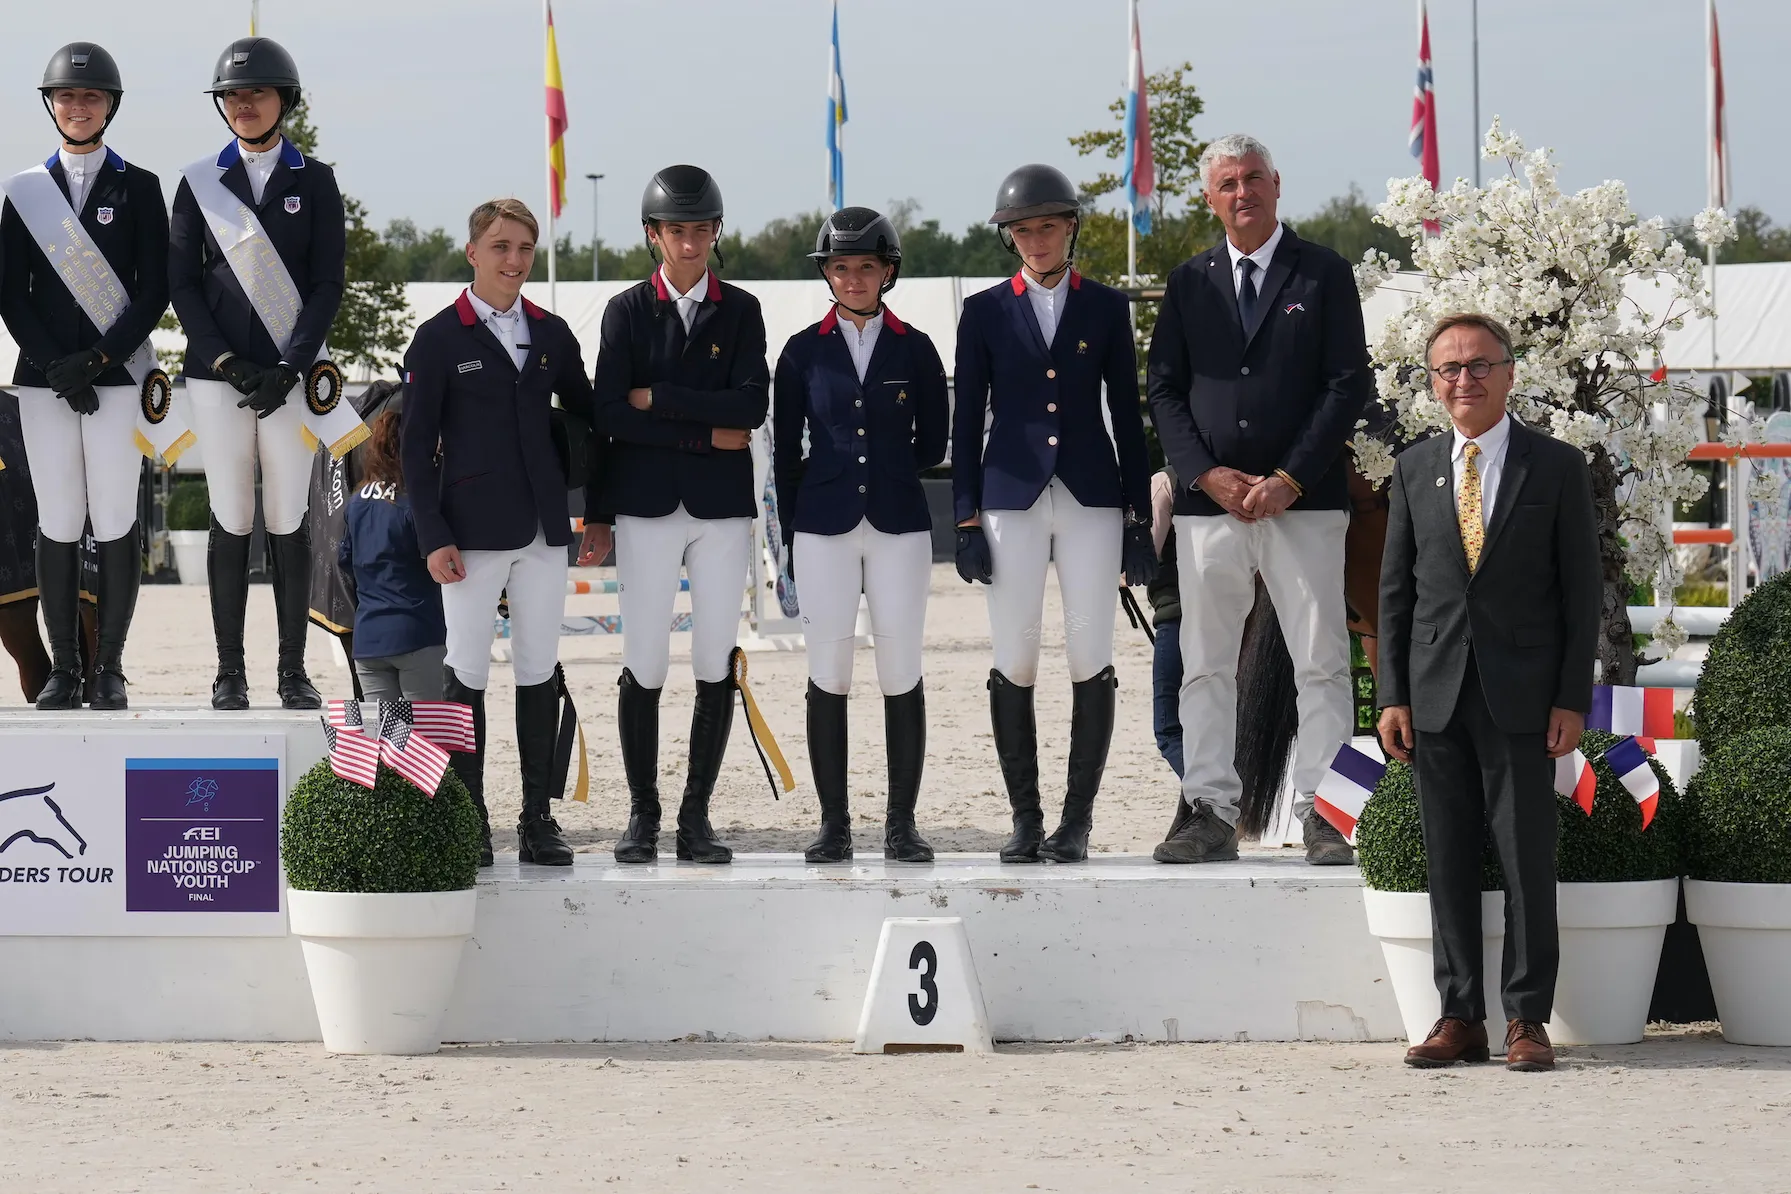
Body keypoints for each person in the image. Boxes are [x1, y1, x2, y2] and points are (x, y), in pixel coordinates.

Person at [1379, 313, 1600, 1073]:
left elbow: (1581, 592)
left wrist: (1572, 698)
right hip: (1434, 695)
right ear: (1433, 383)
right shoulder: (1413, 469)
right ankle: (1459, 1017)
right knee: (1446, 859)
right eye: (1448, 368)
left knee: (1525, 858)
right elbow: (1395, 594)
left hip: (1525, 697)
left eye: (1479, 365)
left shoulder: (1556, 466)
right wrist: (1392, 695)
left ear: (1509, 374)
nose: (1464, 379)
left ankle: (1527, 1020)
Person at [1146, 133, 1372, 866]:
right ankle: (1209, 811)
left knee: (1321, 661)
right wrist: (1204, 475)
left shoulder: (1324, 273)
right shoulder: (1188, 282)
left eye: (1251, 179)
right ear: (1209, 198)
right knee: (1205, 663)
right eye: (1227, 184)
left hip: (1303, 503)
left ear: (1275, 184)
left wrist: (1289, 478)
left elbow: (1347, 384)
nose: (1241, 193)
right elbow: (1164, 391)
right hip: (1210, 507)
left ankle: (1325, 813)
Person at [952, 164, 1157, 864]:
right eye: (1022, 230)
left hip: (1089, 497)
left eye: (1046, 226)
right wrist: (965, 518)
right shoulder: (983, 311)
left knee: (1089, 652)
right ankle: (1024, 818)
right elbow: (964, 420)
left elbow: (1126, 416)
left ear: (1069, 227)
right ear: (1008, 237)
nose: (1035, 240)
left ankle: (1075, 821)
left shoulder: (1105, 307)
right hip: (1009, 499)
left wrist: (1136, 517)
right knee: (1014, 655)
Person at [401, 197, 602, 868]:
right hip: (467, 535)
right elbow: (413, 447)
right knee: (466, 672)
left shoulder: (551, 333)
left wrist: (596, 508)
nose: (514, 260)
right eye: (500, 247)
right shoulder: (437, 338)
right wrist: (432, 535)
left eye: (524, 248)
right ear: (473, 253)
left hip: (544, 532)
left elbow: (589, 418)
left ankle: (537, 820)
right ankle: (469, 820)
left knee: (538, 670)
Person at [169, 36, 353, 712]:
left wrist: (289, 366)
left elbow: (328, 283)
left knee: (286, 516)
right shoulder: (197, 183)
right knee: (230, 514)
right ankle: (229, 672)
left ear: (285, 101)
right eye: (232, 95)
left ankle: (291, 671)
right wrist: (224, 360)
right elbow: (183, 284)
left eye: (257, 93)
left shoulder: (317, 180)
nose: (243, 104)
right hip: (217, 377)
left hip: (290, 379)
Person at [593, 165, 769, 866]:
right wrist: (701, 432)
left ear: (715, 232)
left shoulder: (743, 310)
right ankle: (643, 813)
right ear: (653, 235)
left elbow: (749, 407)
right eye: (676, 231)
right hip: (647, 506)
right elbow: (611, 414)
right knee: (644, 657)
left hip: (720, 512)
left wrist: (658, 398)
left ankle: (695, 816)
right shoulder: (625, 311)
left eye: (700, 230)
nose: (689, 244)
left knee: (713, 656)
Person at [772, 207, 948, 863]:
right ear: (827, 273)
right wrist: (793, 536)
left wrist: (889, 470)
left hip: (899, 524)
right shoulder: (800, 351)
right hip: (823, 527)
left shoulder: (916, 347)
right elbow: (786, 453)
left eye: (865, 267)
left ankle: (901, 824)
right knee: (830, 671)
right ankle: (834, 825)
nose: (853, 279)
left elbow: (933, 443)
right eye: (841, 268)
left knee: (900, 668)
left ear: (886, 272)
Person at [0, 42, 168, 710]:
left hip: (117, 379)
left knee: (117, 516)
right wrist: (55, 365)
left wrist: (97, 361)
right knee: (60, 519)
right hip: (44, 381)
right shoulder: (24, 192)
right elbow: (11, 291)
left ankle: (111, 668)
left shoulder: (141, 187)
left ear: (110, 106)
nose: (78, 106)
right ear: (51, 105)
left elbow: (153, 290)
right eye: (67, 96)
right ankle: (66, 668)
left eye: (91, 96)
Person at [339, 406, 446, 701]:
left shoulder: (356, 502)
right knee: (425, 729)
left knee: (384, 730)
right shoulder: (418, 505)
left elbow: (345, 560)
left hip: (369, 637)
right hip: (416, 631)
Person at [1146, 467, 1184, 778]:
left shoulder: (1165, 481)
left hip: (1178, 614)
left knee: (1169, 729)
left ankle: (1218, 799)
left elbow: (1147, 552)